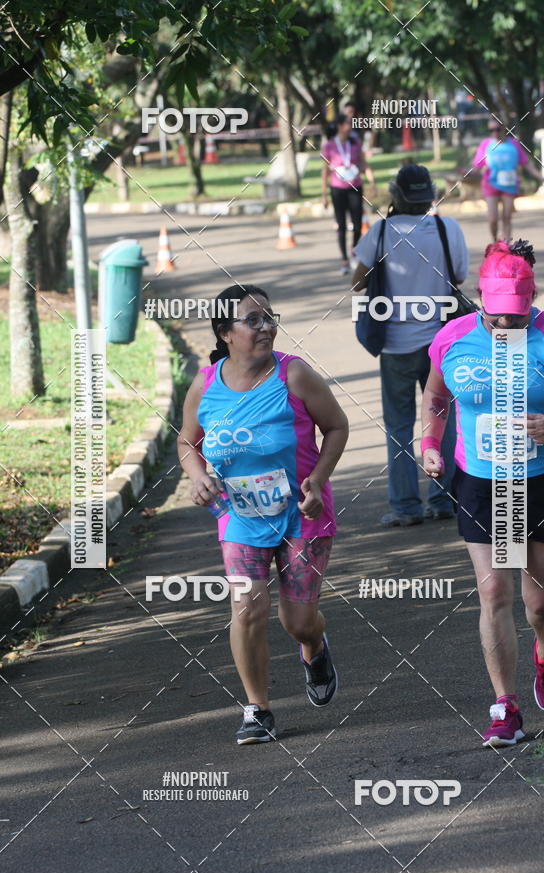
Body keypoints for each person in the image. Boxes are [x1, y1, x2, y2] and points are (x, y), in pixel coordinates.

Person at [421, 240, 544, 748]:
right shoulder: (452, 338)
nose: (505, 328)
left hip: (542, 480)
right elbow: (435, 397)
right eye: (496, 318)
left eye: (516, 319)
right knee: (494, 590)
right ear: (480, 298)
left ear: (532, 302)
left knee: (538, 602)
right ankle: (505, 706)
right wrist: (430, 443)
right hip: (480, 480)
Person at [177, 285, 349, 745]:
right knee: (246, 607)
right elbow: (187, 443)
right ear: (225, 332)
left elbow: (336, 426)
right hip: (240, 517)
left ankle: (313, 646)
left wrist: (319, 479)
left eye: (270, 317)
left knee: (297, 621)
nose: (267, 326)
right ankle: (257, 709)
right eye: (253, 320)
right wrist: (197, 476)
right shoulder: (206, 384)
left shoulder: (294, 376)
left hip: (302, 515)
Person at [352, 164, 468, 527]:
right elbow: (460, 276)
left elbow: (358, 283)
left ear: (395, 194)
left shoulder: (381, 232)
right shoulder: (448, 229)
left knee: (399, 426)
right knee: (442, 421)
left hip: (396, 346)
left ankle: (405, 507)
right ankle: (444, 498)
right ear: (430, 193)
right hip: (441, 344)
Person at [473, 118, 544, 242]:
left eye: (497, 129)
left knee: (507, 216)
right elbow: (477, 166)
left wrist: (539, 176)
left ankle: (506, 245)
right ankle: (495, 240)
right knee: (493, 218)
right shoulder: (486, 144)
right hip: (491, 183)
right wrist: (467, 173)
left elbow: (526, 163)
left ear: (504, 129)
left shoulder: (514, 144)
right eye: (491, 130)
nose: (494, 132)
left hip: (509, 184)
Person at [322, 113, 376, 275]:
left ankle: (354, 249)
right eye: (347, 123)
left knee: (358, 223)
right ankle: (344, 259)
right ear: (339, 126)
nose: (350, 126)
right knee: (341, 224)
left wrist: (372, 182)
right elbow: (325, 171)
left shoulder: (355, 143)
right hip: (338, 188)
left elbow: (363, 164)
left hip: (355, 186)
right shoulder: (330, 146)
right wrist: (324, 194)